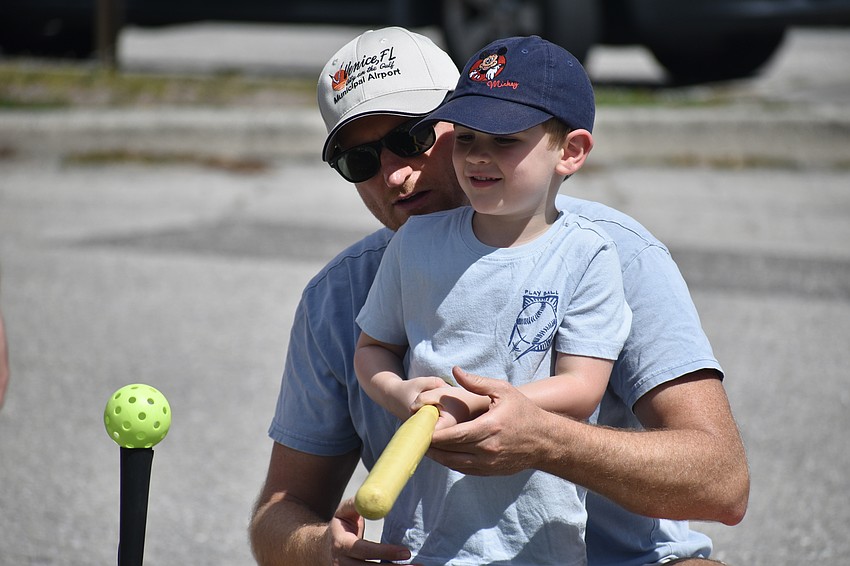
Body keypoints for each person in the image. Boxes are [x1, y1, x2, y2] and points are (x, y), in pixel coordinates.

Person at [249, 27, 749, 566]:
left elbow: (721, 484)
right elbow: (279, 512)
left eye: (413, 138)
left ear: (467, 115)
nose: (394, 174)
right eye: (360, 161)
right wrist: (320, 548)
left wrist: (549, 441)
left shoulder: (610, 252)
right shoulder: (338, 294)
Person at [352, 36, 632, 565]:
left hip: (535, 539)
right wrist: (402, 394)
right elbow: (372, 349)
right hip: (422, 536)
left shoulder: (587, 253)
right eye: (466, 137)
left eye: (505, 140)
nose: (478, 155)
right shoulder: (417, 241)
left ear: (570, 152)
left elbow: (582, 385)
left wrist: (483, 405)